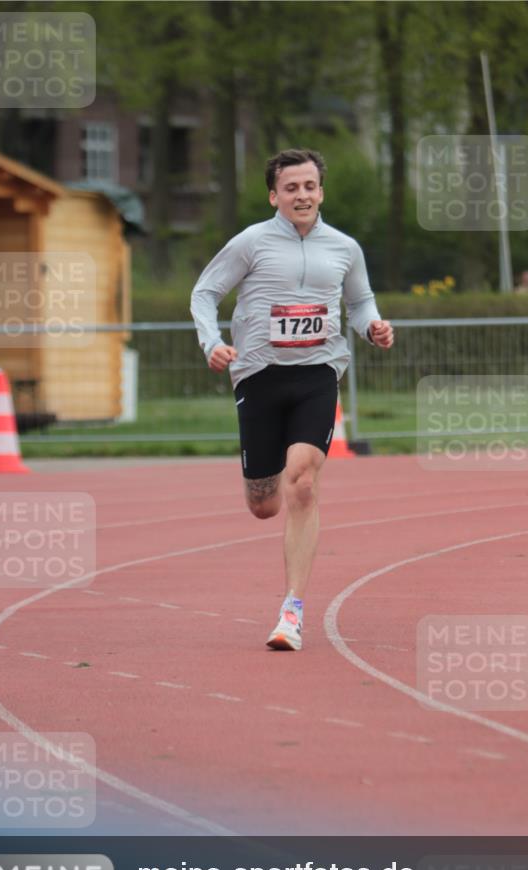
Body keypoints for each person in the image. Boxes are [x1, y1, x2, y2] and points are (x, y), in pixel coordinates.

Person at [190, 148, 394, 651]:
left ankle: (292, 610)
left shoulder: (344, 247)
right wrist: (212, 343)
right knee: (264, 504)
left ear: (321, 191)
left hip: (318, 372)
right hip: (259, 375)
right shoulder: (251, 243)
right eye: (291, 188)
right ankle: (265, 486)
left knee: (302, 480)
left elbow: (359, 300)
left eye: (309, 187)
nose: (301, 195)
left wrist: (372, 327)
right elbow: (204, 292)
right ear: (274, 195)